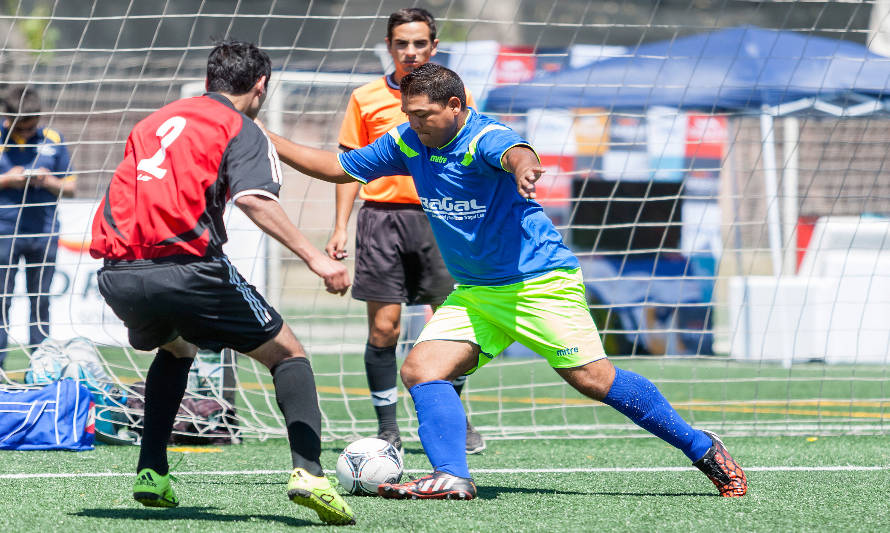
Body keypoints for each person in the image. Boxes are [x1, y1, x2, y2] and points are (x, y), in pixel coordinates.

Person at [263, 63, 748, 501]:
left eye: (424, 114)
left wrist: (525, 167)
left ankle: (703, 448)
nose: (414, 122)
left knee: (592, 379)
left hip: (540, 282)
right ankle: (452, 476)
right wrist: (264, 136)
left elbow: (516, 151)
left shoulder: (483, 136)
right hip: (477, 293)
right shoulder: (409, 141)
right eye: (409, 113)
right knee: (421, 369)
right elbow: (334, 167)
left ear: (456, 107)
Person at [90, 41, 356, 525]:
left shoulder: (152, 122)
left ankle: (151, 471)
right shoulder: (241, 127)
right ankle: (310, 475)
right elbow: (255, 199)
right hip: (188, 269)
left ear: (210, 79)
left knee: (177, 350)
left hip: (118, 274)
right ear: (261, 87)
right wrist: (317, 258)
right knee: (288, 353)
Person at [330, 7, 484, 455]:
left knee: (450, 326)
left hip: (440, 219)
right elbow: (348, 167)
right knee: (385, 329)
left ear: (434, 47)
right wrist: (340, 226)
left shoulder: (456, 96)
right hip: (380, 220)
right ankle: (387, 429)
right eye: (402, 43)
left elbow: (470, 156)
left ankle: (453, 423)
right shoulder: (365, 97)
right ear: (389, 47)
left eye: (420, 43)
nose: (411, 51)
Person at [0, 86, 75, 367]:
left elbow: (72, 187)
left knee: (41, 302)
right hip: (4, 232)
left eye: (34, 125)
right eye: (24, 126)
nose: (30, 131)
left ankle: (40, 366)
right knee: (1, 302)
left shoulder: (54, 138)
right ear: (9, 118)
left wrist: (48, 181)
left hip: (43, 232)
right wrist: (8, 179)